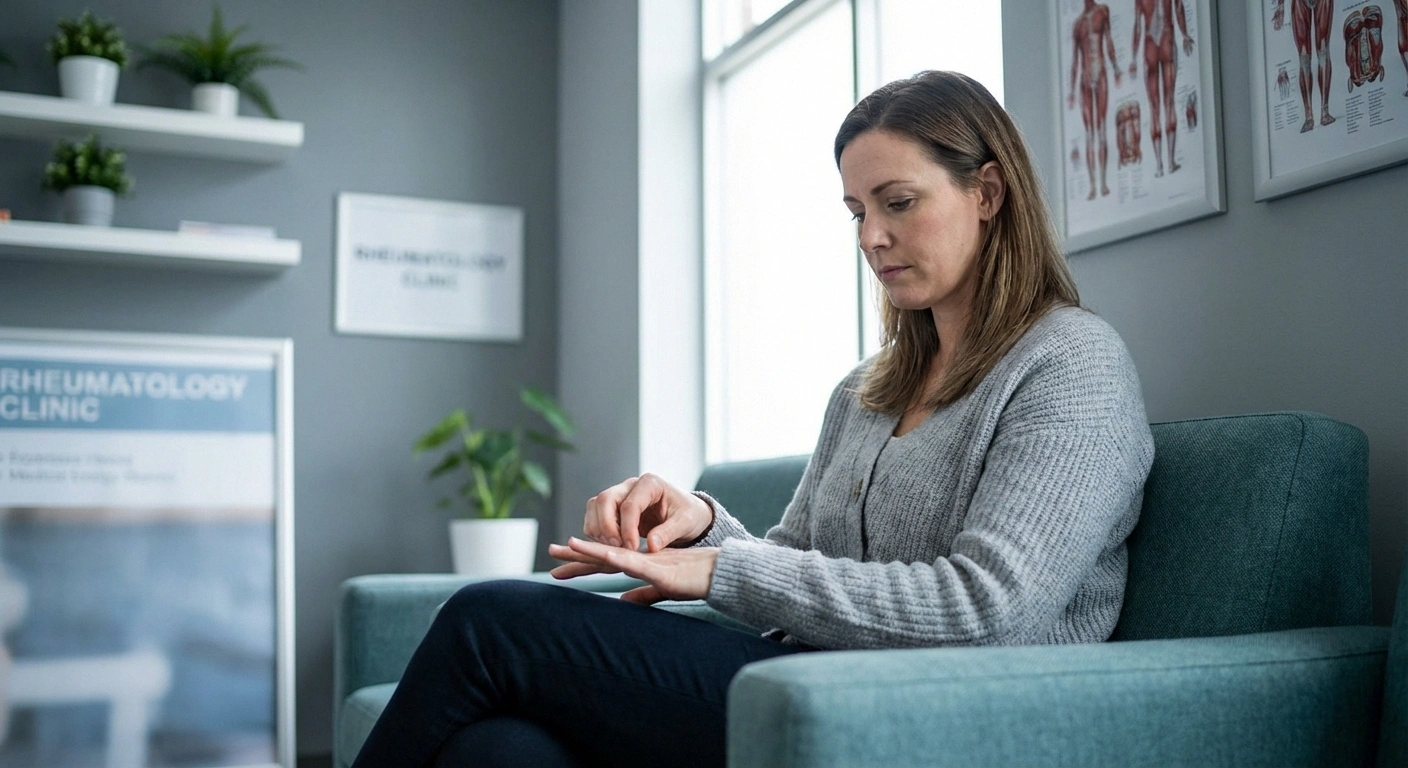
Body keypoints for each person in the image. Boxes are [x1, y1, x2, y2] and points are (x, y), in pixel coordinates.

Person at [350, 71, 1155, 768]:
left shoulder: (1071, 365)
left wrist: (724, 571)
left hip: (934, 714)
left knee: (491, 618)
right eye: (856, 212)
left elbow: (988, 612)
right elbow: (792, 566)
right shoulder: (867, 390)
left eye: (898, 203)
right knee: (500, 754)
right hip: (801, 680)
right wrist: (702, 527)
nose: (873, 237)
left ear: (986, 193)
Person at [1068, 0, 1122, 199]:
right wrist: (1072, 91)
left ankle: (1104, 182)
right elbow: (1075, 60)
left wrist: (1116, 69)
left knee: (1101, 129)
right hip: (1085, 78)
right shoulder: (1078, 24)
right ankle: (1093, 185)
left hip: (1100, 74)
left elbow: (1108, 42)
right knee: (1090, 133)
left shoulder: (1102, 12)